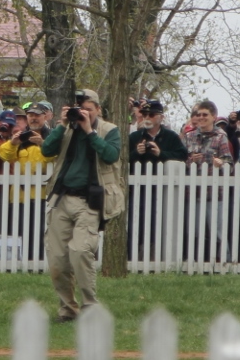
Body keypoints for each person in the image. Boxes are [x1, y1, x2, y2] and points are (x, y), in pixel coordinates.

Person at [41, 89, 122, 320]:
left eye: (88, 109)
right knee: (57, 258)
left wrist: (89, 131)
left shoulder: (109, 130)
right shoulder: (67, 128)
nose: (84, 113)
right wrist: (61, 125)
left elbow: (111, 155)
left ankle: (90, 307)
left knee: (80, 251)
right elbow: (46, 150)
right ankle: (68, 309)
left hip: (89, 200)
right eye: (80, 109)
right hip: (62, 198)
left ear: (98, 110)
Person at [129, 100, 188, 166]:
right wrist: (136, 152)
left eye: (151, 115)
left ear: (161, 117)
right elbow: (124, 159)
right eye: (145, 115)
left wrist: (160, 153)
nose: (147, 118)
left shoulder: (171, 136)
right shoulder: (134, 137)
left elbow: (183, 156)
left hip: (165, 172)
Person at [183, 100, 234, 168]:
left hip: (213, 174)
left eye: (205, 115)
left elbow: (230, 165)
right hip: (192, 174)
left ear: (214, 117)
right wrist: (192, 160)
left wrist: (221, 163)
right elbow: (180, 162)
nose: (201, 117)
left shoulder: (220, 136)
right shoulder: (189, 136)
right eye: (198, 115)